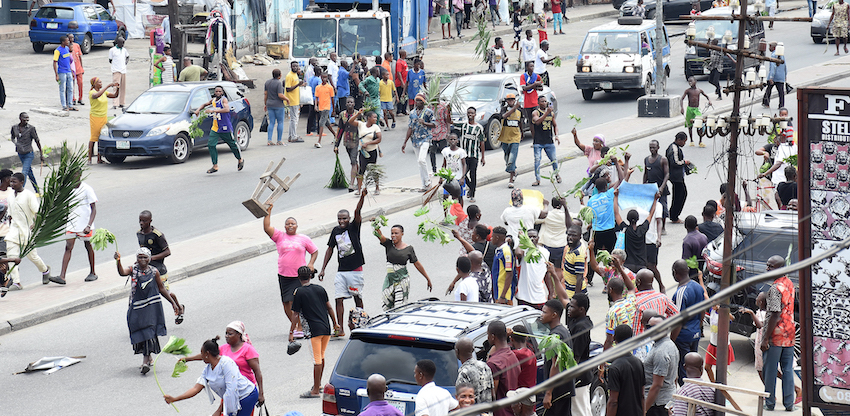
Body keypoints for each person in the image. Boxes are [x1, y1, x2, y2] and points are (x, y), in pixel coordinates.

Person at [115, 248, 180, 374]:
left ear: (149, 259)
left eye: (145, 257)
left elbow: (161, 288)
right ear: (136, 258)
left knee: (149, 332)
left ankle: (145, 361)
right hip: (138, 308)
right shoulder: (133, 270)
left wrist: (173, 303)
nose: (142, 260)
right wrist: (118, 261)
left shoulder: (154, 272)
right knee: (140, 332)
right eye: (140, 257)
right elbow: (122, 272)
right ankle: (149, 357)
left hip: (151, 308)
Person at [163, 337, 259, 415]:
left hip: (247, 396)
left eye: (202, 353)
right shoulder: (208, 370)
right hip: (231, 399)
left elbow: (231, 390)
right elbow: (196, 389)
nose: (200, 356)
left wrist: (219, 410)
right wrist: (175, 399)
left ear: (207, 354)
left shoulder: (227, 363)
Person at [318, 188, 367, 338]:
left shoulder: (354, 227)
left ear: (349, 218)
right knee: (338, 298)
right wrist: (323, 269)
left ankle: (361, 324)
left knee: (357, 297)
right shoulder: (335, 231)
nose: (342, 221)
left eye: (344, 218)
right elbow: (330, 249)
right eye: (339, 219)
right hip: (342, 271)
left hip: (355, 270)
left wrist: (362, 197)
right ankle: (339, 329)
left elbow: (358, 211)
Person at [263, 205, 318, 338]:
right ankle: (297, 325)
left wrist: (311, 264)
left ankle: (300, 327)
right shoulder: (279, 236)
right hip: (283, 275)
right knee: (285, 303)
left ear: (297, 226)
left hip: (298, 276)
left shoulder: (303, 239)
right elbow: (266, 228)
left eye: (293, 223)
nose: (290, 225)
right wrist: (268, 213)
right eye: (287, 224)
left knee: (295, 302)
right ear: (285, 226)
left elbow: (314, 251)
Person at [182, 322, 265, 406]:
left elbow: (257, 372)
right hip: (229, 390)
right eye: (226, 333)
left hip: (245, 392)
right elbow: (207, 355)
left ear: (239, 334)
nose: (226, 336)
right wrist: (187, 359)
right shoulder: (224, 348)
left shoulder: (248, 349)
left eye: (230, 334)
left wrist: (261, 394)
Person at [289, 266, 340, 398]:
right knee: (321, 356)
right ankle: (319, 384)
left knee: (316, 359)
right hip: (326, 328)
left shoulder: (298, 292)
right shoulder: (320, 289)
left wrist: (291, 332)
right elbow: (329, 307)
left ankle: (315, 390)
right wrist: (335, 323)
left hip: (313, 331)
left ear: (298, 277)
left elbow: (295, 314)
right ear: (311, 276)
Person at [4, 172, 53, 291]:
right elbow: (10, 215)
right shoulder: (10, 197)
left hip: (27, 231)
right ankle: (16, 282)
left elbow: (37, 213)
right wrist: (10, 227)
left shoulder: (29, 195)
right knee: (11, 256)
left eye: (14, 182)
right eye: (11, 181)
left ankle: (45, 270)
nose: (12, 184)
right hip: (14, 232)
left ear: (22, 182)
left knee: (33, 257)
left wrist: (35, 225)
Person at [761, 255, 797, 411]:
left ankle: (770, 403)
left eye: (771, 266)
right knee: (788, 369)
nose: (767, 269)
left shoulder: (775, 288)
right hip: (789, 334)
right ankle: (789, 404)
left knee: (770, 370)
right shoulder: (789, 283)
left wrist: (765, 338)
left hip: (776, 335)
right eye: (767, 265)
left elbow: (775, 314)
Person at [137, 210, 184, 323]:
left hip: (159, 269)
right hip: (146, 269)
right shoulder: (139, 233)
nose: (141, 223)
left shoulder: (157, 235)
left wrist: (151, 258)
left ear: (150, 221)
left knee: (165, 292)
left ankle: (179, 307)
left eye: (144, 221)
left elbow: (167, 252)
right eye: (140, 220)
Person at [374, 224, 433, 310]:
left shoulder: (408, 249)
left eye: (396, 233)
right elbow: (379, 235)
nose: (393, 235)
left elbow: (417, 264)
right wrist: (375, 224)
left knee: (399, 307)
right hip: (390, 281)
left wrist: (427, 278)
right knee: (387, 307)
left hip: (402, 281)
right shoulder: (389, 244)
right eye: (392, 233)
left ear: (402, 234)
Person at [53, 176, 97, 285]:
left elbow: (94, 209)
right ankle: (62, 276)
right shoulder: (69, 189)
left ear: (80, 175)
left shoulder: (87, 189)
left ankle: (93, 272)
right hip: (72, 224)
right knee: (68, 247)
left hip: (84, 224)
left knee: (88, 246)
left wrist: (88, 225)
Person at [670, 259, 707, 385]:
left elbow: (678, 319)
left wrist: (671, 340)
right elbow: (703, 311)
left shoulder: (680, 292)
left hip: (683, 336)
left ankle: (687, 396)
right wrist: (699, 327)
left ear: (675, 273)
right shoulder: (698, 287)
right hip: (695, 333)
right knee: (694, 367)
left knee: (684, 369)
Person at [195, 85, 244, 174]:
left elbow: (226, 109)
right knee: (211, 145)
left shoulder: (223, 100)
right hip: (215, 127)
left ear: (222, 92)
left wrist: (213, 111)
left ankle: (240, 159)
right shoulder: (213, 100)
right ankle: (215, 165)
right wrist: (198, 110)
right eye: (216, 91)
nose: (218, 93)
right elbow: (204, 104)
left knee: (232, 145)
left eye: (219, 91)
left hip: (225, 127)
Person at [613, 188, 660, 273]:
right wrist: (655, 200)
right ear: (638, 219)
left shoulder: (625, 229)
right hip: (642, 264)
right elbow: (651, 214)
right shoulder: (643, 229)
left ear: (627, 219)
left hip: (628, 265)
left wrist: (616, 197)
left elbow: (616, 213)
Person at [539, 299, 573, 414]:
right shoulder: (563, 330)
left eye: (544, 312)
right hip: (564, 389)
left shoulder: (556, 336)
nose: (541, 315)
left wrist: (548, 393)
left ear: (554, 315)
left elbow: (556, 365)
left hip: (558, 392)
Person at [643, 316, 679, 416]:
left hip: (657, 405)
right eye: (648, 327)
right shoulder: (668, 345)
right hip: (665, 400)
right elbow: (675, 378)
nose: (651, 330)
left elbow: (657, 385)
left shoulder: (661, 352)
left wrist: (644, 410)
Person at [606, 325, 646, 416]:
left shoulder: (614, 368)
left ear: (614, 338)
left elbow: (613, 402)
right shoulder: (639, 363)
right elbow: (642, 395)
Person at [588, 162, 626, 255]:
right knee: (612, 256)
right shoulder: (609, 195)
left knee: (595, 256)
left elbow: (590, 217)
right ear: (606, 186)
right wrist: (617, 164)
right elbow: (621, 180)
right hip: (609, 230)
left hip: (597, 232)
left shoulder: (591, 200)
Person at [486, 320, 521, 416]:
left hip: (500, 412)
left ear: (493, 337)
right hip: (512, 410)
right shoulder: (512, 356)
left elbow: (492, 395)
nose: (487, 337)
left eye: (488, 335)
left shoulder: (494, 363)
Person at [403, 94, 436, 192]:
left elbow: (434, 124)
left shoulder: (428, 112)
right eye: (416, 100)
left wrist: (424, 123)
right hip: (415, 140)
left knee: (422, 160)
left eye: (420, 101)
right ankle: (424, 184)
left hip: (425, 138)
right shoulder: (412, 113)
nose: (418, 102)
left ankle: (428, 181)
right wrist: (405, 142)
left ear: (423, 102)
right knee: (419, 163)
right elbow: (410, 127)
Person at [567, 293, 593, 416]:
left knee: (579, 411)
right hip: (583, 375)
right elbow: (562, 298)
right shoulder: (575, 319)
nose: (568, 309)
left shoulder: (581, 328)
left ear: (581, 309)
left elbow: (575, 358)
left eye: (572, 307)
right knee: (584, 408)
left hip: (579, 377)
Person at [514, 229, 554, 309]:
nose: (532, 239)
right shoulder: (524, 251)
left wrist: (551, 292)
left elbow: (546, 273)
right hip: (524, 296)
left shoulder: (545, 252)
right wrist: (522, 240)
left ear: (538, 238)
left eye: (534, 237)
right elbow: (518, 253)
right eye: (529, 237)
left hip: (539, 296)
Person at [633, 269, 680, 336]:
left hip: (645, 343)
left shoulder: (637, 303)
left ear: (638, 281)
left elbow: (635, 333)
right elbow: (676, 314)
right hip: (660, 338)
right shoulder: (663, 297)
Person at [348, 109, 383, 195]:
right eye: (374, 117)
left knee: (373, 170)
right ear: (368, 118)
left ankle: (377, 188)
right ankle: (359, 190)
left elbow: (379, 139)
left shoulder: (376, 127)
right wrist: (358, 114)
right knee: (361, 171)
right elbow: (350, 121)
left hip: (372, 151)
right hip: (363, 152)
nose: (376, 119)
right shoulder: (361, 124)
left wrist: (368, 143)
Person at [455, 107, 486, 202]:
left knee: (473, 174)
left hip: (474, 155)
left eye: (472, 113)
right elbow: (451, 122)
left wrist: (483, 157)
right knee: (462, 173)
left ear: (475, 114)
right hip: (464, 155)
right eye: (468, 113)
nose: (470, 114)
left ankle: (472, 194)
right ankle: (470, 188)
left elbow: (482, 142)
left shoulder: (479, 128)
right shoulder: (463, 125)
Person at [88, 77, 120, 165]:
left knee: (101, 138)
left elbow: (115, 95)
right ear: (94, 84)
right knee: (94, 138)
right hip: (95, 117)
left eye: (101, 82)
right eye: (99, 82)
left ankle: (99, 158)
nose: (101, 83)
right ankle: (89, 159)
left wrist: (117, 89)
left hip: (103, 117)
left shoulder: (104, 92)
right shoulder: (92, 93)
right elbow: (96, 95)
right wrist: (107, 86)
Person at [10, 112, 45, 191]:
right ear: (20, 119)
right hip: (20, 153)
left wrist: (41, 154)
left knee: (24, 172)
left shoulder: (31, 128)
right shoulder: (14, 127)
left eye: (27, 119)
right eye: (24, 119)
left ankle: (20, 191)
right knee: (30, 173)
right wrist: (16, 143)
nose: (26, 121)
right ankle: (37, 189)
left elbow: (37, 141)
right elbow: (12, 137)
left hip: (29, 153)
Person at [455, 337, 494, 403]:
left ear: (457, 352)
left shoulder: (464, 373)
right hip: (488, 411)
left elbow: (463, 402)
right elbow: (493, 394)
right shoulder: (485, 366)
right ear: (473, 350)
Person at [644, 140, 670, 238]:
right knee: (650, 207)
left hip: (660, 188)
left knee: (662, 207)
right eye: (650, 147)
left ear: (658, 148)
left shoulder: (663, 159)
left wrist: (662, 187)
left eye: (654, 147)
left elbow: (667, 174)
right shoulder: (646, 159)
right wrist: (644, 185)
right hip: (651, 188)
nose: (652, 149)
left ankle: (662, 227)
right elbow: (646, 174)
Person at [531, 96, 559, 186]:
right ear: (538, 103)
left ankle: (557, 174)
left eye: (545, 101)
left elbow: (555, 125)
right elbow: (537, 122)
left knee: (554, 159)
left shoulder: (551, 113)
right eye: (542, 101)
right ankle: (537, 179)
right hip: (538, 141)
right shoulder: (536, 112)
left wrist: (557, 135)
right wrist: (546, 113)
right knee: (537, 160)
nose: (544, 103)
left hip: (549, 141)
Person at [604, 276, 636, 350]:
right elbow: (631, 288)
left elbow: (609, 339)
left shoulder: (612, 311)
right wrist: (620, 268)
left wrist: (603, 359)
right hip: (633, 347)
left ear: (611, 290)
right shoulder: (631, 301)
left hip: (618, 351)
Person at [498, 93, 522, 188]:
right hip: (505, 137)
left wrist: (522, 132)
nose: (511, 101)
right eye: (509, 100)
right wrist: (514, 108)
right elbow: (503, 116)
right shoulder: (504, 109)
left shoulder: (519, 110)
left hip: (515, 137)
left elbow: (520, 122)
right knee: (507, 158)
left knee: (512, 158)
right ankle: (514, 170)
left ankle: (511, 179)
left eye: (513, 99)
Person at [680, 77, 711, 147]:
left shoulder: (699, 90)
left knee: (700, 124)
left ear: (695, 81)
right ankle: (691, 140)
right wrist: (682, 108)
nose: (690, 83)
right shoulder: (688, 91)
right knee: (690, 125)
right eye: (689, 82)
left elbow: (707, 96)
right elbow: (681, 99)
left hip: (697, 109)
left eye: (691, 81)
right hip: (689, 109)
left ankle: (700, 141)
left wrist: (709, 101)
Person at [666, 132, 690, 223]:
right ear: (679, 140)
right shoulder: (674, 149)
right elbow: (675, 162)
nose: (684, 144)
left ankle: (673, 213)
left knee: (679, 194)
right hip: (675, 177)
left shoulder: (675, 147)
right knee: (680, 195)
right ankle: (674, 216)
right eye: (683, 141)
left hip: (677, 176)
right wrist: (685, 162)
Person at [264, 68, 290, 146]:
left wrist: (265, 104)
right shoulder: (279, 83)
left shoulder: (267, 82)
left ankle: (269, 140)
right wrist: (287, 99)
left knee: (271, 122)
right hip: (278, 105)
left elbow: (265, 94)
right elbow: (280, 95)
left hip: (269, 104)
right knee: (280, 122)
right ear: (279, 75)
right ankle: (279, 140)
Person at [563, 225, 588, 297]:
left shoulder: (578, 255)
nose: (570, 237)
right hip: (569, 290)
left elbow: (579, 278)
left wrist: (576, 297)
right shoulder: (570, 247)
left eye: (574, 235)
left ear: (580, 237)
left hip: (575, 292)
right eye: (569, 235)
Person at [520, 62, 543, 140]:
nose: (532, 68)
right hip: (527, 103)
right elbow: (524, 88)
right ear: (527, 67)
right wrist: (534, 84)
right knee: (531, 122)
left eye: (533, 66)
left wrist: (536, 85)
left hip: (535, 102)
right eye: (531, 66)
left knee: (537, 120)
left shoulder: (536, 76)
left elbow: (541, 87)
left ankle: (539, 137)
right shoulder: (523, 76)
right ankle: (534, 139)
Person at [314, 73, 337, 148]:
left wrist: (333, 109)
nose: (324, 79)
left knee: (321, 123)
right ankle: (335, 135)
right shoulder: (318, 87)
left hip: (327, 107)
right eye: (323, 77)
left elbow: (332, 99)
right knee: (327, 123)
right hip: (320, 107)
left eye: (326, 78)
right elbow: (316, 97)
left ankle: (319, 141)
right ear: (321, 78)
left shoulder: (330, 87)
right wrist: (316, 105)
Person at [285, 61, 306, 143]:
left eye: (296, 66)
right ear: (291, 66)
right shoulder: (289, 76)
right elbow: (288, 88)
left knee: (293, 119)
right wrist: (298, 85)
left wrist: (301, 84)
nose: (295, 67)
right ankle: (293, 136)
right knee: (294, 119)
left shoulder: (295, 75)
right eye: (293, 66)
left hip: (296, 100)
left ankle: (291, 136)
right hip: (292, 100)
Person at [430, 98, 452, 174]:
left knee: (445, 151)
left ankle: (445, 168)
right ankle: (434, 169)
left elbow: (447, 120)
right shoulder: (429, 107)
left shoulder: (443, 106)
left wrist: (448, 132)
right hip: (432, 132)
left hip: (442, 131)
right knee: (432, 151)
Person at [762, 42, 787, 108]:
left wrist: (771, 77)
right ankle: (781, 105)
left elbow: (773, 67)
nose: (769, 48)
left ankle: (766, 103)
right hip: (781, 76)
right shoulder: (782, 55)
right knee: (781, 92)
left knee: (768, 89)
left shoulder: (773, 55)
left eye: (770, 46)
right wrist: (785, 75)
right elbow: (785, 66)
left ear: (774, 48)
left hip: (774, 76)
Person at [53, 35, 74, 112]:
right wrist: (56, 74)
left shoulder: (67, 49)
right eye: (67, 41)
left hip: (68, 71)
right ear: (63, 42)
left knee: (70, 88)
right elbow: (54, 62)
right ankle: (64, 105)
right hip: (62, 72)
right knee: (62, 89)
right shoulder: (57, 51)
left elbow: (68, 61)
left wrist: (71, 71)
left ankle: (70, 104)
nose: (68, 42)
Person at [108, 37, 129, 109]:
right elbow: (110, 60)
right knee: (116, 87)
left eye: (124, 43)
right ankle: (115, 103)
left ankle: (122, 103)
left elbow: (127, 57)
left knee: (123, 88)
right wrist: (116, 65)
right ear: (118, 42)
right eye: (122, 43)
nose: (123, 44)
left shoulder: (124, 50)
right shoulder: (112, 50)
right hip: (116, 70)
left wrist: (125, 63)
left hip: (123, 70)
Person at [68, 33, 84, 106]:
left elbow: (80, 57)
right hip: (71, 69)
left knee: (80, 83)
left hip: (78, 68)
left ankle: (80, 98)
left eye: (72, 38)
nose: (71, 39)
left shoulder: (77, 45)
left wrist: (82, 67)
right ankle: (73, 99)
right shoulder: (66, 47)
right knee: (72, 85)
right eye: (70, 38)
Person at [394, 50, 408, 115]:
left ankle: (404, 110)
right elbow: (399, 73)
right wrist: (402, 82)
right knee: (400, 96)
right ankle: (399, 110)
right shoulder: (399, 62)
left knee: (405, 96)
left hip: (405, 82)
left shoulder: (403, 61)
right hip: (400, 83)